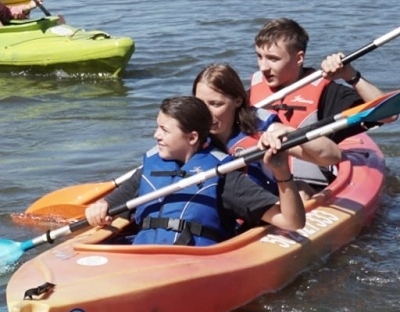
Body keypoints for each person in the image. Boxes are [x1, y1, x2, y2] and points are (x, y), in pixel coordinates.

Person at [85, 96, 304, 245]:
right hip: (141, 258)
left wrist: (282, 172)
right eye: (157, 127)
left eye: (164, 130)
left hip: (190, 262)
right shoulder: (148, 170)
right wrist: (98, 210)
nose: (156, 136)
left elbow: (291, 221)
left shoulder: (224, 176)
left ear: (192, 138)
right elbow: (107, 206)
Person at [247, 18, 386, 170]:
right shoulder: (253, 91)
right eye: (259, 56)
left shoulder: (327, 93)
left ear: (299, 58)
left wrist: (350, 75)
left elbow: (386, 114)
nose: (263, 67)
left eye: (273, 59)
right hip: (258, 181)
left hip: (308, 185)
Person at [191, 62, 341, 194]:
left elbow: (332, 156)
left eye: (216, 104)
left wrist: (290, 132)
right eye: (200, 104)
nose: (206, 113)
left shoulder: (263, 129)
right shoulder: (189, 133)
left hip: (264, 210)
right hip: (221, 215)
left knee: (300, 190)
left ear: (237, 101)